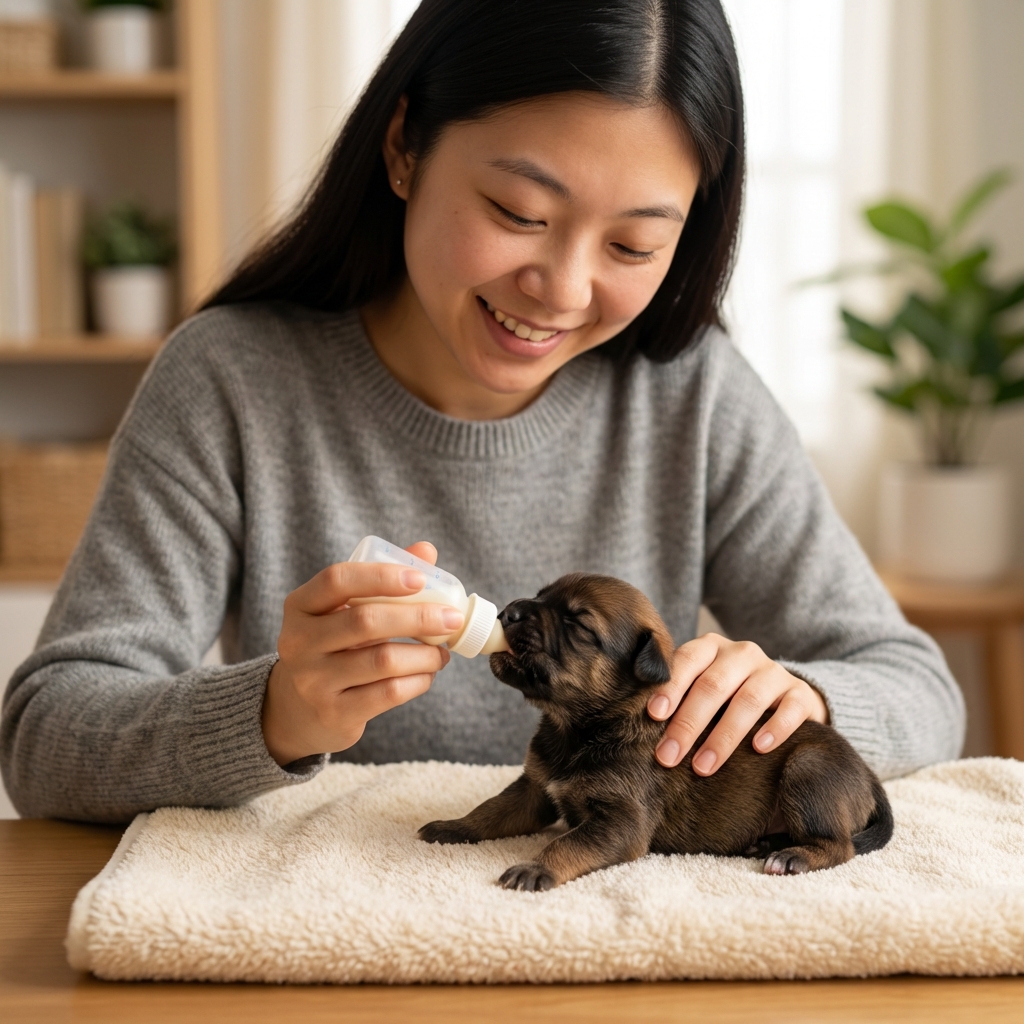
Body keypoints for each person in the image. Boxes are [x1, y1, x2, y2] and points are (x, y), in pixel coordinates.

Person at [1, 0, 964, 823]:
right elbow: (47, 737)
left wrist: (802, 696)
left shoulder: (693, 392)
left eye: (632, 245)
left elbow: (916, 683)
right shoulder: (232, 380)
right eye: (517, 213)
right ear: (404, 148)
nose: (561, 287)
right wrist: (273, 712)